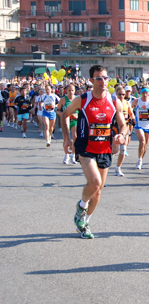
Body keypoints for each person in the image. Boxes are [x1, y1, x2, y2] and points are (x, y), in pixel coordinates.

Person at [61, 65, 128, 239]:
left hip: (104, 149)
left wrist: (121, 135)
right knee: (95, 182)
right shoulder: (82, 100)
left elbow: (123, 125)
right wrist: (67, 138)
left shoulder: (115, 102)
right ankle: (82, 205)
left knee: (98, 192)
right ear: (91, 81)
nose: (103, 81)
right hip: (85, 147)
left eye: (105, 78)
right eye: (99, 78)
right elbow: (64, 114)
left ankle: (84, 222)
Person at [132, 86, 149, 170]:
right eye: (143, 93)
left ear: (148, 93)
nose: (144, 95)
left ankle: (141, 160)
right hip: (139, 125)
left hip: (148, 125)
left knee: (145, 145)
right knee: (142, 141)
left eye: (146, 93)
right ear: (141, 93)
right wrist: (131, 118)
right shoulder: (136, 101)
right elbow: (130, 110)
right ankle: (139, 161)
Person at [113, 86, 135, 177]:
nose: (121, 96)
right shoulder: (113, 103)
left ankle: (118, 168)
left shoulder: (127, 103)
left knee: (123, 149)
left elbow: (131, 113)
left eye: (123, 94)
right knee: (114, 150)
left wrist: (133, 120)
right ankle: (104, 166)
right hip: (114, 127)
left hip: (124, 127)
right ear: (116, 94)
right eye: (119, 94)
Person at [56, 84, 79, 164]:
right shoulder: (63, 100)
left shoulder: (77, 99)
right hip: (66, 120)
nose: (71, 92)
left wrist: (78, 115)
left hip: (75, 120)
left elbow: (82, 111)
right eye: (69, 90)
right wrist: (63, 114)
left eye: (72, 90)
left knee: (75, 137)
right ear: (66, 91)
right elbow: (58, 110)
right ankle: (66, 155)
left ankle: (73, 154)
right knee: (66, 138)